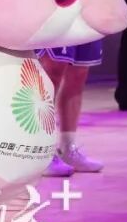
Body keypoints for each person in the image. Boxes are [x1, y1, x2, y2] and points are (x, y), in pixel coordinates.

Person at [39, 42, 106, 176]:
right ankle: (42, 153)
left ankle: (68, 148)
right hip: (57, 28)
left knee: (79, 73)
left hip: (85, 27)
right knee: (53, 70)